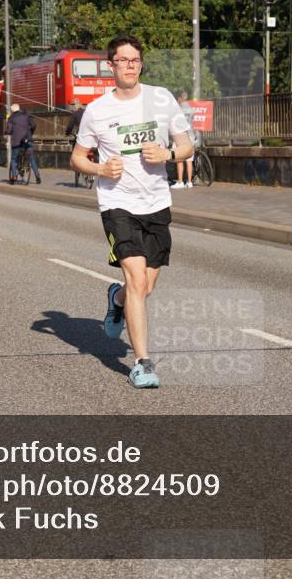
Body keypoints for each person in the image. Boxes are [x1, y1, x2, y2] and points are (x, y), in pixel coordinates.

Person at [70, 34, 193, 388]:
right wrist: (99, 170)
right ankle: (142, 363)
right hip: (117, 203)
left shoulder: (161, 98)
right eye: (122, 60)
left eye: (134, 60)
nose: (129, 66)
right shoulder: (96, 110)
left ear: (141, 64)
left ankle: (116, 298)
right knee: (137, 279)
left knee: (146, 285)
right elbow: (78, 158)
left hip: (156, 202)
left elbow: (186, 145)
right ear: (110, 66)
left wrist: (168, 155)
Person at [6, 103, 40, 184]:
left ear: (12, 110)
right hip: (28, 140)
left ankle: (14, 176)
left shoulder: (11, 118)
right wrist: (30, 133)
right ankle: (37, 176)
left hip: (17, 142)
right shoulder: (26, 115)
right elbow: (34, 125)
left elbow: (9, 130)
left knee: (14, 159)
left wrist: (7, 132)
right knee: (31, 158)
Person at [171, 90, 195, 189]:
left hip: (179, 137)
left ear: (179, 99)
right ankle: (189, 182)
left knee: (179, 159)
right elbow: (192, 124)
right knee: (189, 161)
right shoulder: (191, 109)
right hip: (191, 137)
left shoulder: (177, 110)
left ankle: (180, 182)